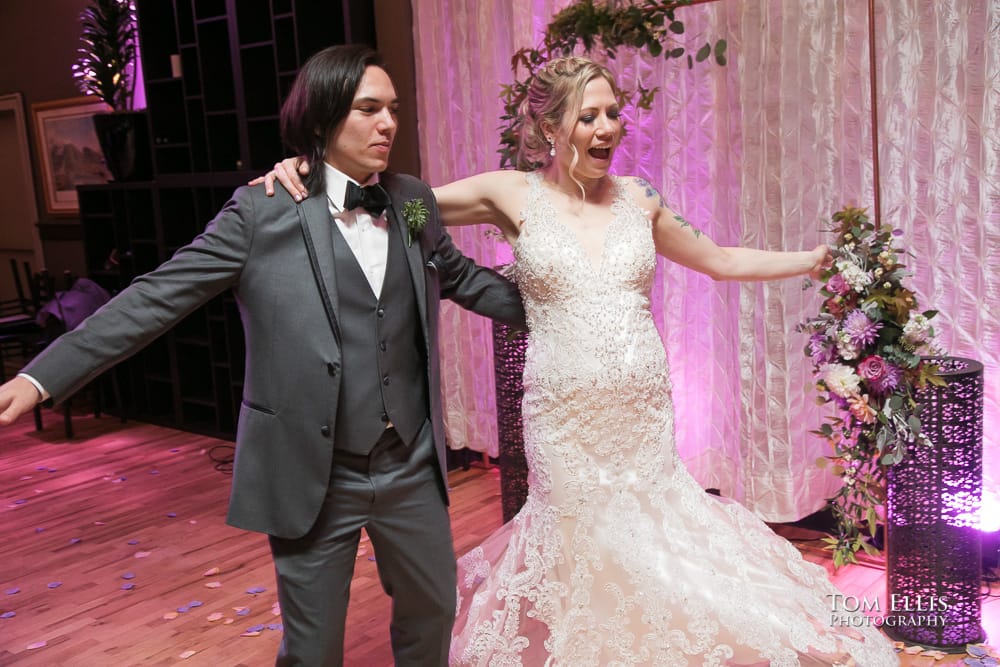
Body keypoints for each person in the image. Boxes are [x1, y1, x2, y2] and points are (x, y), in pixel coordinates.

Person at [261, 56, 900, 666]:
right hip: (563, 416)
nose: (608, 128)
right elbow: (397, 205)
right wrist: (304, 173)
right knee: (581, 545)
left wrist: (810, 260)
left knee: (658, 534)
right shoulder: (508, 195)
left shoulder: (639, 199)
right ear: (549, 127)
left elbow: (723, 260)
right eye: (590, 116)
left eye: (613, 114)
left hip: (641, 409)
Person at [0, 45, 525, 667]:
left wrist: (567, 299)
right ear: (324, 118)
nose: (388, 123)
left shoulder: (411, 199)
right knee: (312, 648)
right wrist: (41, 375)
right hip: (313, 468)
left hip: (408, 457)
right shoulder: (261, 211)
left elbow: (459, 275)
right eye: (368, 109)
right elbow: (155, 298)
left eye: (392, 109)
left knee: (433, 613)